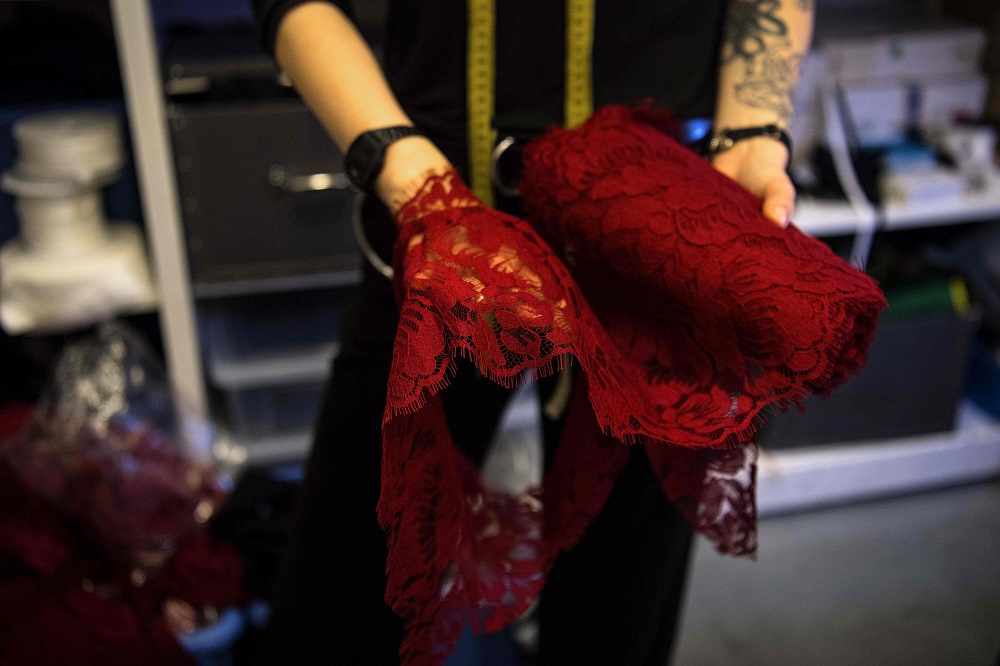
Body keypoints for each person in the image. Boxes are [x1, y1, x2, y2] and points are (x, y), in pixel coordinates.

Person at [249, 1, 814, 663]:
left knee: (617, 610)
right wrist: (400, 169)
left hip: (658, 223)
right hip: (436, 208)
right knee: (346, 586)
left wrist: (752, 128)